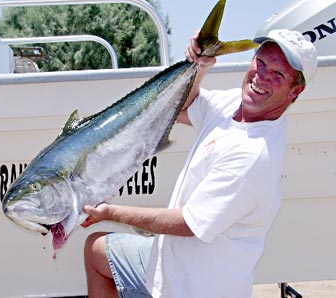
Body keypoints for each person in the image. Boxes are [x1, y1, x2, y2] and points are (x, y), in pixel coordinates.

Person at [81, 29, 317, 298]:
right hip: (166, 265)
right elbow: (181, 107)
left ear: (295, 90)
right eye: (261, 63)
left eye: (278, 75)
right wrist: (200, 66)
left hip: (195, 289)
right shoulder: (234, 106)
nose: (261, 77)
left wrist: (111, 212)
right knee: (96, 251)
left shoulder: (254, 156)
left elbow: (188, 224)